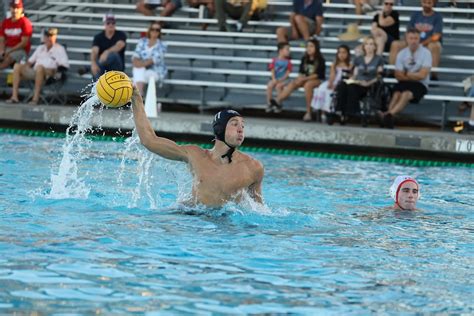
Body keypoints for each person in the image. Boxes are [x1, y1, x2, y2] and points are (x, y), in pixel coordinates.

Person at [131, 89, 264, 207]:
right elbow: (149, 141)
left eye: (243, 126)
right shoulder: (195, 155)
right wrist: (137, 100)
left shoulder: (253, 167)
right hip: (192, 216)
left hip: (226, 224)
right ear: (220, 129)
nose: (241, 129)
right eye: (234, 124)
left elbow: (259, 210)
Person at [379, 28, 431, 129]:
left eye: (416, 38)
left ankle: (388, 114)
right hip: (404, 81)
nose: (413, 41)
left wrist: (406, 73)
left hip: (420, 84)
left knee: (406, 94)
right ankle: (388, 118)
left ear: (419, 39)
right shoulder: (402, 53)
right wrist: (413, 74)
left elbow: (423, 75)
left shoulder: (426, 53)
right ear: (406, 39)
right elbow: (397, 75)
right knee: (396, 94)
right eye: (411, 38)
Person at [6, 28, 69, 105]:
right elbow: (29, 62)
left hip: (50, 74)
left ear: (55, 37)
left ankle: (35, 99)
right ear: (44, 38)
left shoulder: (60, 49)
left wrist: (52, 70)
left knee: (40, 68)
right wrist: (23, 69)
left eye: (51, 36)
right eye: (48, 36)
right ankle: (14, 97)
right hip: (35, 72)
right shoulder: (40, 48)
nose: (49, 38)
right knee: (17, 66)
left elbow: (64, 66)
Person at [271, 38, 325, 121]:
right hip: (305, 78)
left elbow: (317, 75)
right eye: (307, 46)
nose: (309, 48)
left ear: (316, 48)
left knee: (308, 85)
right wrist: (299, 78)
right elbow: (301, 72)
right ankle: (278, 100)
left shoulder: (320, 60)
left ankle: (308, 112)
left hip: (316, 80)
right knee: (294, 83)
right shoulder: (304, 58)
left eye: (311, 46)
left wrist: (304, 79)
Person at [335, 36, 383, 124]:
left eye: (371, 44)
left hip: (369, 84)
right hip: (357, 82)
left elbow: (379, 76)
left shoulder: (378, 59)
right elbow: (355, 73)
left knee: (352, 87)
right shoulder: (358, 59)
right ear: (364, 46)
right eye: (367, 44)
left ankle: (352, 111)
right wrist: (351, 79)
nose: (369, 46)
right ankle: (339, 110)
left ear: (375, 47)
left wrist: (368, 83)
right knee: (343, 85)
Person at [389, 0, 442, 77]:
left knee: (434, 46)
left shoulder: (437, 17)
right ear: (421, 2)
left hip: (427, 44)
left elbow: (436, 36)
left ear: (433, 3)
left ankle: (433, 75)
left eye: (429, 3)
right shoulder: (415, 15)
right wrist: (410, 42)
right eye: (424, 2)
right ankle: (393, 72)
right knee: (395, 44)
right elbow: (408, 31)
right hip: (413, 41)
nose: (426, 5)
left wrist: (421, 44)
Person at [311, 45, 351, 123]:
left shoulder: (349, 65)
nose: (341, 55)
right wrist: (331, 83)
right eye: (339, 52)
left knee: (333, 92)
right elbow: (332, 75)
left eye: (344, 52)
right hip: (334, 81)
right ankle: (323, 112)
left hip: (343, 83)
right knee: (323, 89)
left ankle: (331, 111)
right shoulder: (335, 64)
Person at [132, 21, 167, 96]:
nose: (154, 31)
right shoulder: (142, 41)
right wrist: (139, 63)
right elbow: (135, 57)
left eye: (157, 30)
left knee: (142, 73)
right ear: (149, 30)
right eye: (153, 29)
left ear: (159, 32)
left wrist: (139, 63)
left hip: (156, 70)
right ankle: (140, 94)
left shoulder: (162, 45)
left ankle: (138, 96)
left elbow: (153, 60)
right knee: (139, 70)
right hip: (141, 68)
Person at [89, 13, 127, 81]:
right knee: (96, 68)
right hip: (103, 67)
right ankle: (97, 89)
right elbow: (94, 51)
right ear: (104, 24)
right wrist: (93, 63)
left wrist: (106, 52)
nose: (111, 25)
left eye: (113, 23)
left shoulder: (121, 34)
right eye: (108, 23)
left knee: (113, 55)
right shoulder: (98, 37)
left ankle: (88, 68)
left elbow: (119, 46)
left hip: (117, 67)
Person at [0, 0, 32, 70]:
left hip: (20, 50)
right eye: (13, 8)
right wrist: (2, 50)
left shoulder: (25, 22)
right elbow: (1, 39)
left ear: (21, 10)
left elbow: (24, 43)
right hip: (7, 48)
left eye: (17, 8)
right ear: (10, 8)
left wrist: (9, 51)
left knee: (8, 58)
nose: (15, 10)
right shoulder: (5, 22)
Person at [266, 42, 292, 113]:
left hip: (284, 79)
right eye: (287, 49)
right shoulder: (275, 60)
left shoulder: (288, 62)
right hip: (275, 78)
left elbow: (287, 73)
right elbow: (272, 70)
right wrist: (274, 79)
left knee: (278, 86)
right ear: (280, 51)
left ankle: (278, 103)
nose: (289, 51)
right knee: (270, 85)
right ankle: (269, 103)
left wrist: (281, 79)